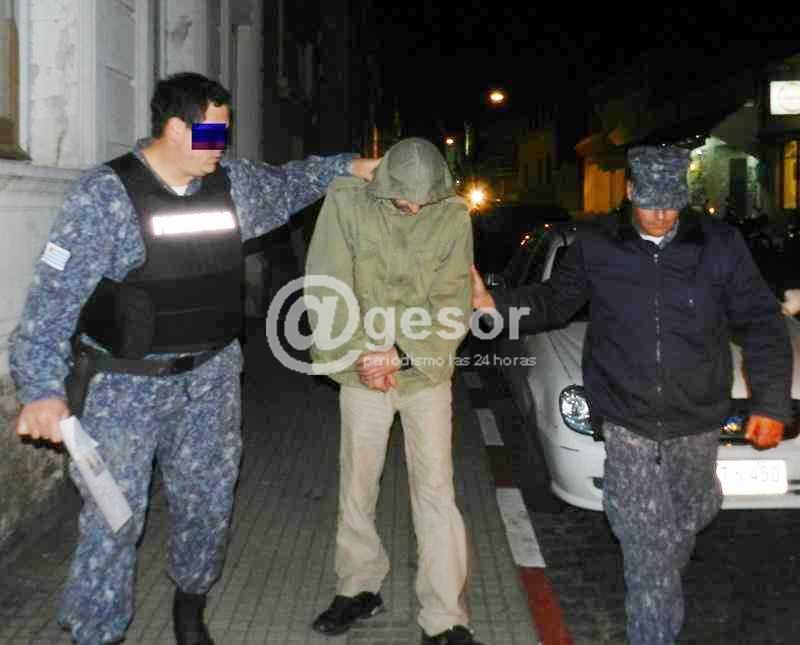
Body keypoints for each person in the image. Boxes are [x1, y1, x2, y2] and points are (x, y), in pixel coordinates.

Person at [9, 72, 379, 645]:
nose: (222, 146)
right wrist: (41, 389)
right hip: (124, 387)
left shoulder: (233, 186)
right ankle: (96, 633)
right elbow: (50, 301)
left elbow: (290, 183)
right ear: (177, 128)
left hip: (210, 381)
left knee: (207, 506)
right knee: (112, 518)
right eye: (213, 133)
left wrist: (351, 166)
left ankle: (190, 608)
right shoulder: (105, 196)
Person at [470, 145, 793, 645]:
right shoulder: (597, 245)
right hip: (627, 421)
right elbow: (553, 302)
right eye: (650, 204)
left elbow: (761, 323)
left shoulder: (719, 245)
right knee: (646, 548)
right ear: (629, 192)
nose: (661, 216)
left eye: (671, 205)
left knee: (687, 517)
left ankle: (682, 533)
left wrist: (770, 403)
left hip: (697, 421)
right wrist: (493, 304)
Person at [304, 138, 483, 645]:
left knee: (436, 492)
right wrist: (363, 355)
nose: (415, 209)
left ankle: (445, 616)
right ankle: (358, 586)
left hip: (424, 370)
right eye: (405, 201)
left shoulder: (453, 216)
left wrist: (402, 354)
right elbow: (327, 283)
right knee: (357, 484)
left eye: (425, 201)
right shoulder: (346, 201)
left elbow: (453, 298)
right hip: (362, 366)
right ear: (383, 185)